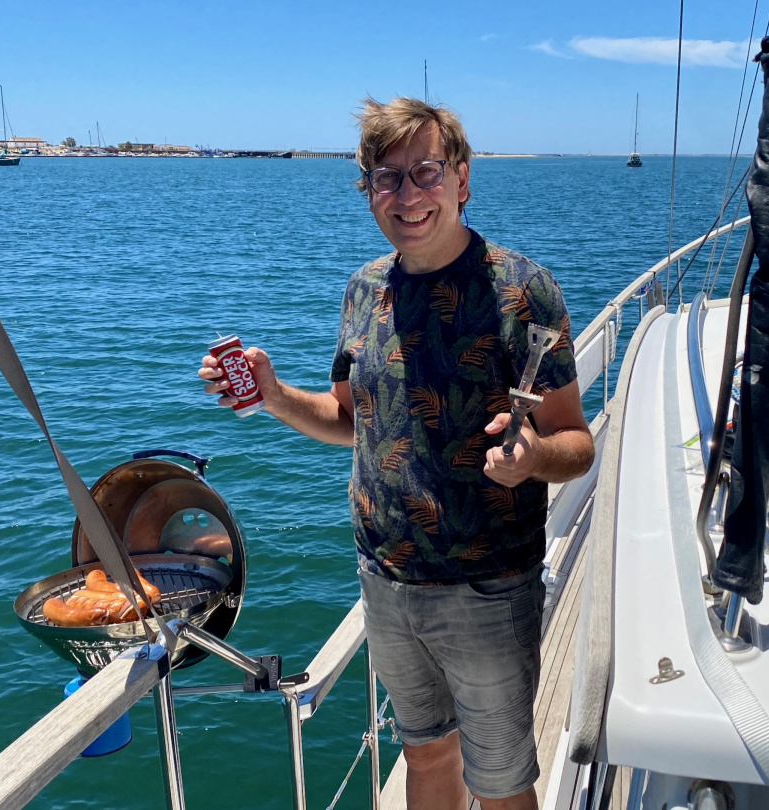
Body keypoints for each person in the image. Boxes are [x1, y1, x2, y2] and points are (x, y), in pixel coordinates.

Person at [199, 96, 594, 810]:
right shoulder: (365, 290)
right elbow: (352, 420)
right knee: (424, 754)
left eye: (427, 172)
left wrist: (534, 455)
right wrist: (273, 394)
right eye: (388, 177)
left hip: (487, 588)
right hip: (385, 578)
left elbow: (578, 444)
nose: (408, 194)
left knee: (502, 784)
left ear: (463, 180)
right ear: (368, 190)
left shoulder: (521, 291)